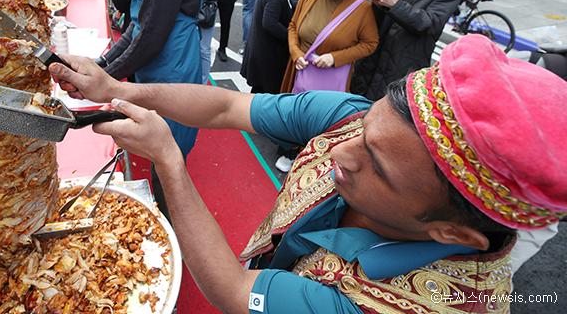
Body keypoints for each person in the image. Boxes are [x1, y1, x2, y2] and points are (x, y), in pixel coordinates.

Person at [48, 33, 567, 314]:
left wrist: (170, 164)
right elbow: (231, 106)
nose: (343, 152)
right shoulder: (352, 119)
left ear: (451, 234)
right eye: (365, 130)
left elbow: (233, 290)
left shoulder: (409, 305)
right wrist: (122, 89)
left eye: (377, 167)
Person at [85, 0, 202, 219]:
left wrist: (105, 82)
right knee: (160, 157)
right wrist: (101, 65)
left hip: (173, 71)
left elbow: (149, 37)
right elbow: (136, 26)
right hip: (159, 69)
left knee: (170, 166)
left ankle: (176, 238)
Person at [275, 0, 378, 171]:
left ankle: (316, 157)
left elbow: (370, 44)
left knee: (323, 118)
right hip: (300, 70)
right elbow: (293, 27)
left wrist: (336, 57)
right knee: (294, 113)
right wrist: (296, 53)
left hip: (332, 78)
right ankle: (291, 150)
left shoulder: (361, 8)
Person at [240, 0, 298, 93]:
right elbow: (270, 23)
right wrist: (292, 37)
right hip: (269, 58)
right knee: (265, 100)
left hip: (263, 55)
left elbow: (287, 5)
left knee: (258, 97)